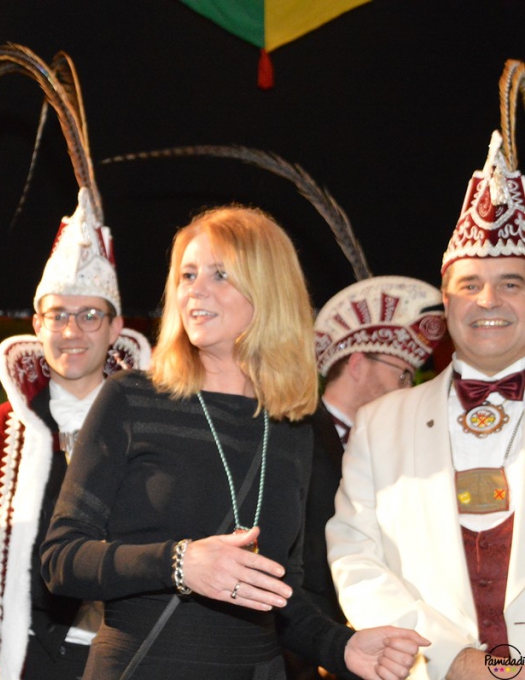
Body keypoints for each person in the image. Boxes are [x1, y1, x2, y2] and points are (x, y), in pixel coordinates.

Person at [40, 206, 429, 680]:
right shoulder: (132, 399)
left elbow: (283, 592)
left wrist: (342, 647)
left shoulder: (292, 424)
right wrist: (179, 563)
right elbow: (62, 559)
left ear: (268, 290)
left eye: (220, 274)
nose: (195, 290)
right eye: (187, 275)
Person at [327, 60, 525, 680]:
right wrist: (447, 659)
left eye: (510, 283)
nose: (487, 301)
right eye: (469, 284)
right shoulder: (380, 422)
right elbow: (356, 555)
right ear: (446, 299)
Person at [0, 188, 151, 680]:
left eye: (90, 315)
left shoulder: (153, 430)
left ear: (116, 327)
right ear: (36, 324)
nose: (72, 331)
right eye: (58, 315)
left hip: (127, 658)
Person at [286, 276, 445, 679]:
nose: (407, 387)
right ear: (357, 364)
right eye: (402, 374)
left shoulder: (400, 448)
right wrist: (320, 644)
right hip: (304, 648)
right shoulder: (292, 431)